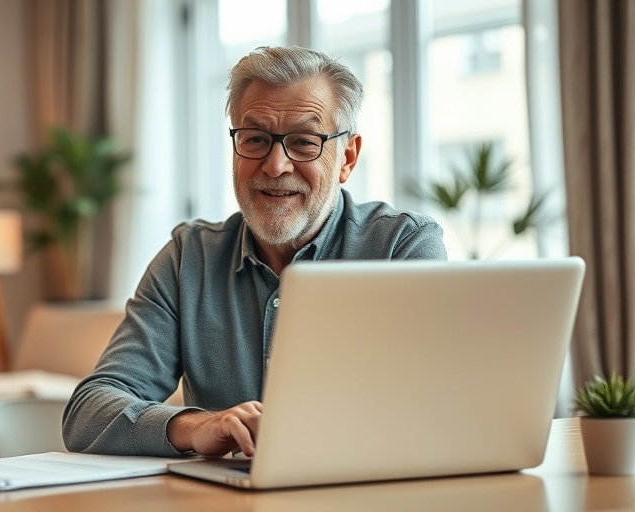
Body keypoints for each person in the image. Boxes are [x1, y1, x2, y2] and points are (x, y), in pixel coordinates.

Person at [62, 46, 446, 458]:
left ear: (347, 157)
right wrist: (196, 426)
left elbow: (436, 410)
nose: (275, 165)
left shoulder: (401, 249)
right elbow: (89, 411)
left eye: (303, 142)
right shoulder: (187, 259)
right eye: (256, 139)